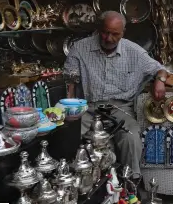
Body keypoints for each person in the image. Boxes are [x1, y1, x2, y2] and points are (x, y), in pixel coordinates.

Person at [63, 11, 167, 173]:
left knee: (131, 138)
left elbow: (160, 69)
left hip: (120, 109)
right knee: (70, 138)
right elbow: (70, 81)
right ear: (99, 29)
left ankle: (130, 184)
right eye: (105, 32)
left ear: (123, 33)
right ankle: (75, 185)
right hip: (89, 108)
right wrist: (70, 109)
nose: (109, 38)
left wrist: (160, 81)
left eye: (115, 34)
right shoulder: (80, 49)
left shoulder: (134, 51)